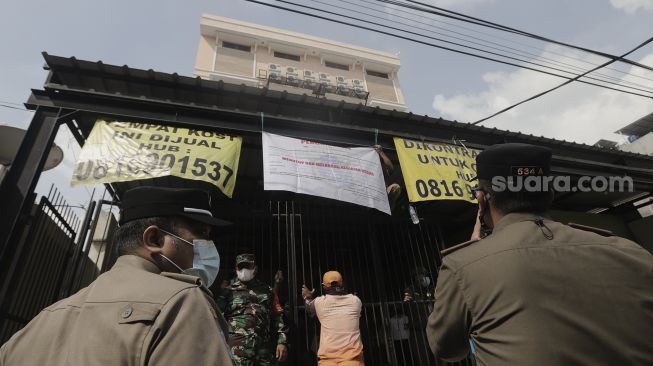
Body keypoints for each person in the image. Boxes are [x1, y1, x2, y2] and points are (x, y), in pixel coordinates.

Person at [426, 143, 653, 366]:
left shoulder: (462, 266)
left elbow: (447, 349)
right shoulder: (630, 251)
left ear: (482, 199)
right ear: (549, 194)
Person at [0, 186, 235, 365]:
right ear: (154, 240)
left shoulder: (43, 320)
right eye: (201, 233)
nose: (208, 245)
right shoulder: (181, 303)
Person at [218, 254, 289, 366]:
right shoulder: (228, 292)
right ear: (236, 269)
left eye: (248, 266)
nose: (244, 270)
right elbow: (217, 319)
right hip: (237, 349)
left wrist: (282, 342)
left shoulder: (268, 291)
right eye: (241, 267)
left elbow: (277, 316)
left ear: (255, 269)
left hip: (263, 350)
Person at [302, 271, 364, 366]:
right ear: (342, 283)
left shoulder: (320, 303)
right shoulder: (355, 301)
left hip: (327, 361)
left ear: (324, 287)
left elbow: (309, 308)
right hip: (352, 360)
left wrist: (307, 296)